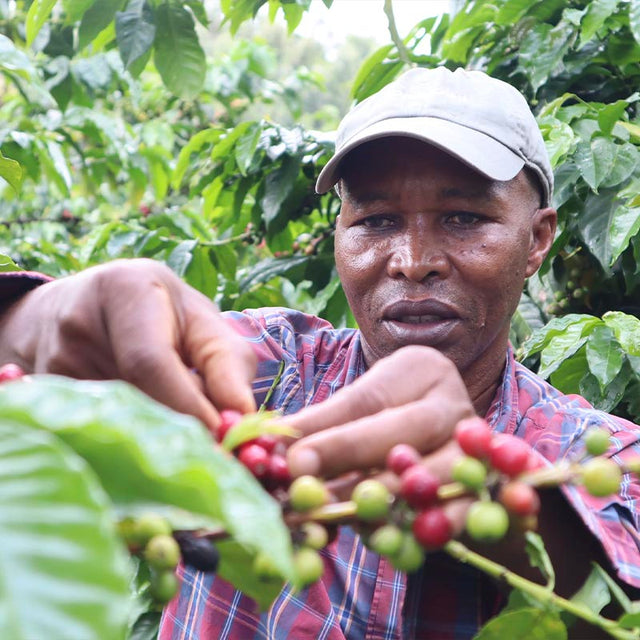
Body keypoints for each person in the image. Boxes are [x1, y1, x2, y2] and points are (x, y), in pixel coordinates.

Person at [0, 66, 638, 638]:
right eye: (376, 221)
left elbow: (616, 593)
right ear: (338, 236)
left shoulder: (602, 453)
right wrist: (28, 322)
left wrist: (511, 505)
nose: (413, 263)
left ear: (537, 240)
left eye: (464, 218)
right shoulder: (264, 369)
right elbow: (123, 363)